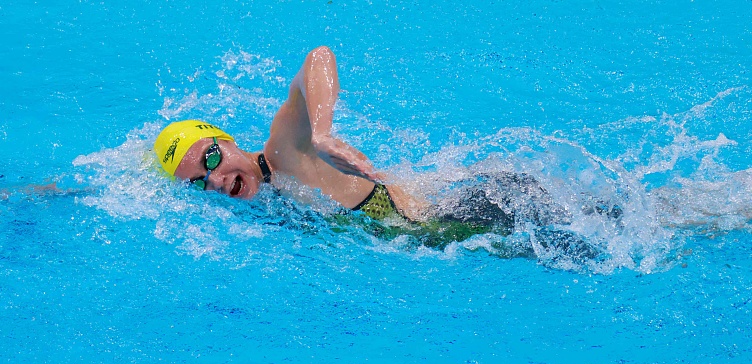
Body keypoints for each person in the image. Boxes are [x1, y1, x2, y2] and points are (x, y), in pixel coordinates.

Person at [153, 47, 576, 249]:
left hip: (482, 209)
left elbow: (318, 60)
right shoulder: (272, 199)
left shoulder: (284, 149)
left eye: (211, 159)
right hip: (459, 229)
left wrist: (320, 134)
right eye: (198, 183)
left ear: (227, 140)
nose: (216, 180)